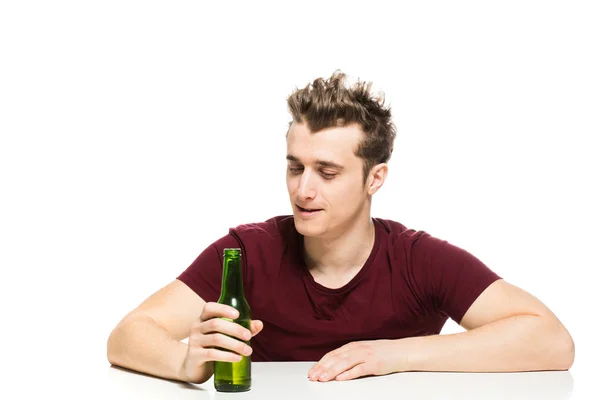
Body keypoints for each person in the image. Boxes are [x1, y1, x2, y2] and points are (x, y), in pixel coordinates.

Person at [107, 71, 575, 384]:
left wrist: (394, 356)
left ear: (375, 178)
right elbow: (128, 333)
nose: (303, 190)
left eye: (327, 173)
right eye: (295, 167)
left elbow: (551, 341)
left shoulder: (419, 259)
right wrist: (184, 362)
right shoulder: (247, 251)